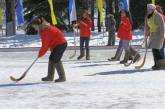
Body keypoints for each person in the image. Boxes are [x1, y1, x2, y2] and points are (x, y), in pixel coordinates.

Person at [30, 16, 67, 82]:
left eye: (34, 27)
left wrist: (40, 54)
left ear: (38, 25)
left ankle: (62, 77)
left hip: (61, 44)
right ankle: (50, 77)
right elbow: (49, 42)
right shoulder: (44, 29)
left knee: (56, 59)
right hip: (57, 44)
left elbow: (45, 46)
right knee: (52, 59)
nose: (35, 29)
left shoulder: (45, 31)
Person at [145, 4, 165, 70]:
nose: (148, 10)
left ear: (152, 9)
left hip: (159, 36)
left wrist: (162, 36)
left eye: (149, 9)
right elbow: (150, 26)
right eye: (147, 9)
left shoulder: (158, 16)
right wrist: (148, 31)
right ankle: (156, 64)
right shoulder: (149, 16)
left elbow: (162, 26)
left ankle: (161, 65)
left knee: (158, 50)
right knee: (154, 50)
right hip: (153, 35)